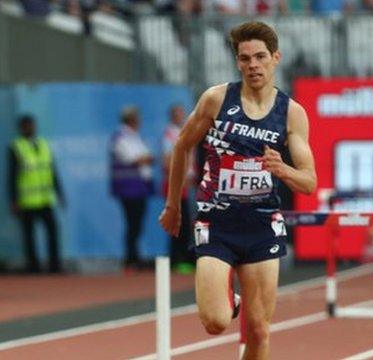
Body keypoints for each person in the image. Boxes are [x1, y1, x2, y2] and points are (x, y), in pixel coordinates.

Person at [159, 21, 316, 359]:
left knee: (259, 330)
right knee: (215, 321)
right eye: (245, 59)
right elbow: (182, 147)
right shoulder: (216, 99)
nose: (253, 65)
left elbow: (309, 181)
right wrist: (173, 206)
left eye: (260, 57)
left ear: (276, 58)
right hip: (217, 224)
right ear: (237, 62)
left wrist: (283, 169)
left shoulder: (291, 113)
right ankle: (233, 300)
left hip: (262, 226)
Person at [8, 115, 65, 273]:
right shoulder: (16, 147)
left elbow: (52, 171)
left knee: (53, 232)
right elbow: (11, 176)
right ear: (21, 128)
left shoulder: (44, 145)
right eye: (26, 126)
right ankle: (33, 267)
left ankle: (55, 265)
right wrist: (13, 200)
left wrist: (59, 193)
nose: (30, 128)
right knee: (29, 237)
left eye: (31, 125)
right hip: (27, 201)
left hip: (45, 199)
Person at [110, 105, 154, 272]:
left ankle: (135, 257)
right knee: (132, 224)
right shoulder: (121, 137)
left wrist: (145, 158)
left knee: (137, 224)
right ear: (131, 120)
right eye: (137, 118)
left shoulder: (133, 136)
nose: (140, 121)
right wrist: (145, 159)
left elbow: (146, 157)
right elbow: (135, 159)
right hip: (129, 189)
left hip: (138, 188)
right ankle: (130, 259)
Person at [161, 104, 196, 274]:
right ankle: (177, 259)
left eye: (183, 113)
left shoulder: (185, 131)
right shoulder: (170, 134)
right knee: (178, 220)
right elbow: (168, 162)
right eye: (178, 114)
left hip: (187, 184)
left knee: (187, 221)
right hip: (177, 185)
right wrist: (181, 178)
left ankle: (183, 258)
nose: (181, 116)